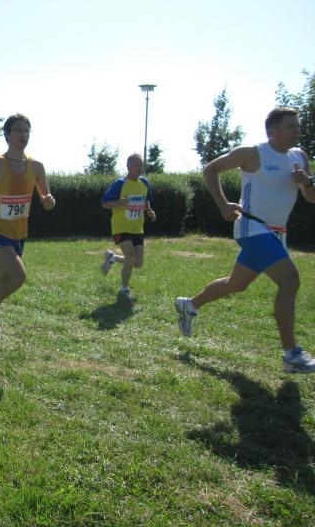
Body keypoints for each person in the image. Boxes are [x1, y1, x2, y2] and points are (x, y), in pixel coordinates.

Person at [175, 107, 315, 374]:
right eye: (291, 126)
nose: (297, 130)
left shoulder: (299, 157)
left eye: (297, 126)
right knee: (290, 281)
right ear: (272, 132)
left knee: (236, 284)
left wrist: (306, 182)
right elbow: (211, 169)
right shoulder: (252, 154)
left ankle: (188, 305)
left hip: (277, 233)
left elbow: (312, 198)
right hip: (252, 226)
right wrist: (223, 204)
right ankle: (291, 355)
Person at [0, 113, 56, 345]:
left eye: (26, 130)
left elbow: (47, 199)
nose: (23, 135)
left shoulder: (36, 167)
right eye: (18, 130)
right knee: (18, 276)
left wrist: (49, 200)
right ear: (7, 134)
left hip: (19, 234)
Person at [99, 154, 157, 302]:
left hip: (137, 228)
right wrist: (119, 203)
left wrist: (149, 211)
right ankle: (124, 289)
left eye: (141, 165)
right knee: (131, 258)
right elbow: (105, 203)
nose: (140, 168)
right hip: (120, 227)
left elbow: (146, 200)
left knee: (138, 263)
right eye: (137, 165)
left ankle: (112, 258)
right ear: (129, 166)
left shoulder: (144, 182)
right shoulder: (120, 183)